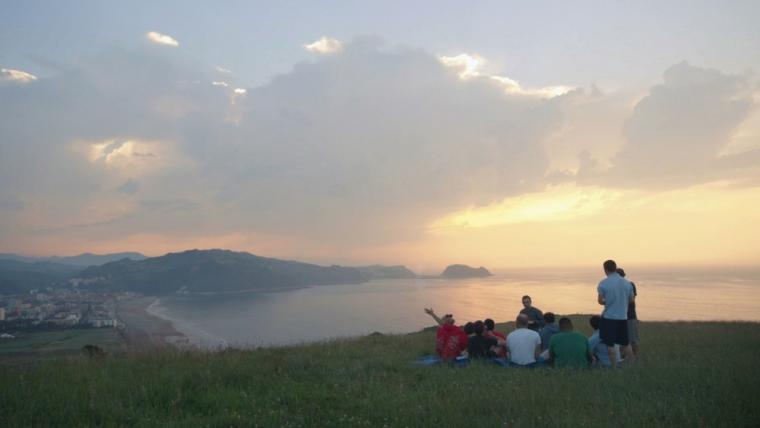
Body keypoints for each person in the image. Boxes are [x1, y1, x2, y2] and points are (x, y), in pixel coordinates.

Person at [597, 260, 635, 367]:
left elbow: (600, 301)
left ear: (605, 269)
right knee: (625, 343)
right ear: (615, 267)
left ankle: (614, 367)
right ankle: (632, 364)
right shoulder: (627, 283)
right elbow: (631, 300)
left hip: (608, 318)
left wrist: (607, 302)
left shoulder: (603, 283)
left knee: (610, 344)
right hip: (622, 317)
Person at [617, 268, 640, 357]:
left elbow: (631, 299)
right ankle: (626, 358)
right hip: (624, 317)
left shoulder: (629, 285)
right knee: (625, 340)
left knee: (632, 340)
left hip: (628, 316)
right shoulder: (629, 285)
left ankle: (634, 357)